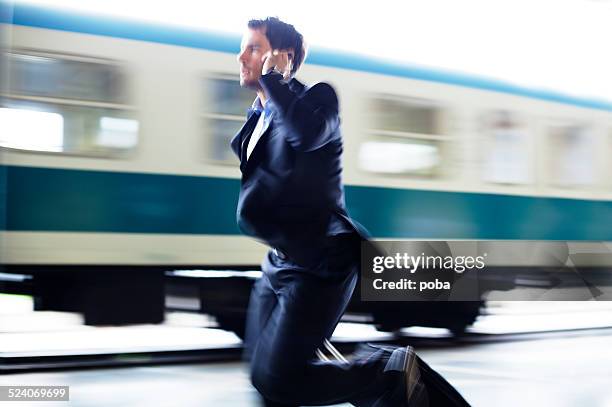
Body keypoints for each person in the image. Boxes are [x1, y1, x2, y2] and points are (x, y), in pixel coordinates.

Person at [231, 16, 470, 407]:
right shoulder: (256, 120)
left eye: (254, 48)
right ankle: (356, 373)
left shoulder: (318, 100)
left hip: (321, 262)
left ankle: (390, 370)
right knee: (263, 377)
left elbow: (305, 135)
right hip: (279, 261)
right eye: (242, 47)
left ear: (283, 58)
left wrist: (275, 81)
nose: (241, 56)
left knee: (280, 380)